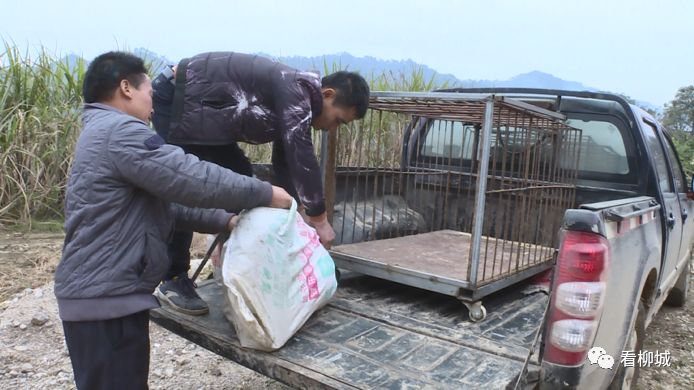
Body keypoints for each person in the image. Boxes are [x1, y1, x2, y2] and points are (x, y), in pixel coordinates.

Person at [54, 51, 293, 390]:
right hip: (105, 301)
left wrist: (224, 221)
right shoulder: (121, 133)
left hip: (104, 297)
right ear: (126, 88)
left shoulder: (101, 131)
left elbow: (166, 206)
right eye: (149, 92)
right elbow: (191, 178)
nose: (154, 104)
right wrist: (264, 192)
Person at [152, 51, 370, 315]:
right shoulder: (298, 88)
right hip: (178, 97)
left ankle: (229, 260)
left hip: (204, 117)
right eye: (338, 119)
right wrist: (320, 219)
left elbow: (285, 163)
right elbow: (300, 154)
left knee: (242, 178)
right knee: (182, 184)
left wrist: (297, 214)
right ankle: (173, 280)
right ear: (327, 94)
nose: (333, 128)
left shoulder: (294, 95)